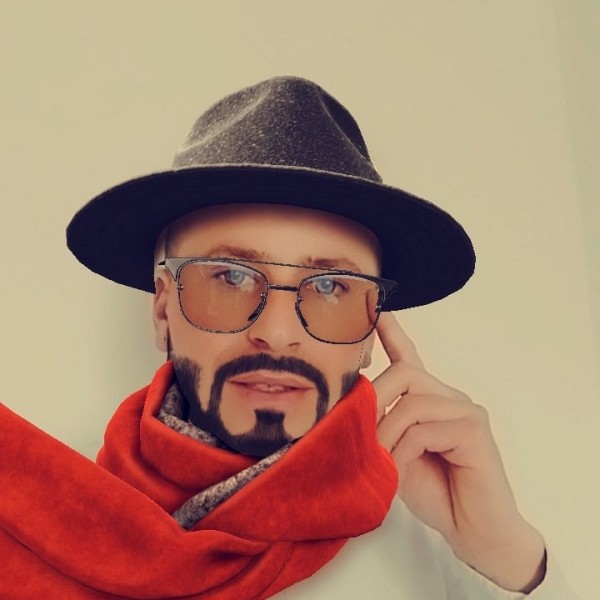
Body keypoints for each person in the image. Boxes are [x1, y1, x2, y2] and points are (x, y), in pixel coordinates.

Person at [0, 77, 578, 599]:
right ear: (162, 308)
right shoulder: (31, 510)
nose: (276, 335)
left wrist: (505, 553)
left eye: (330, 286)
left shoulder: (437, 549)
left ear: (372, 331)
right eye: (230, 277)